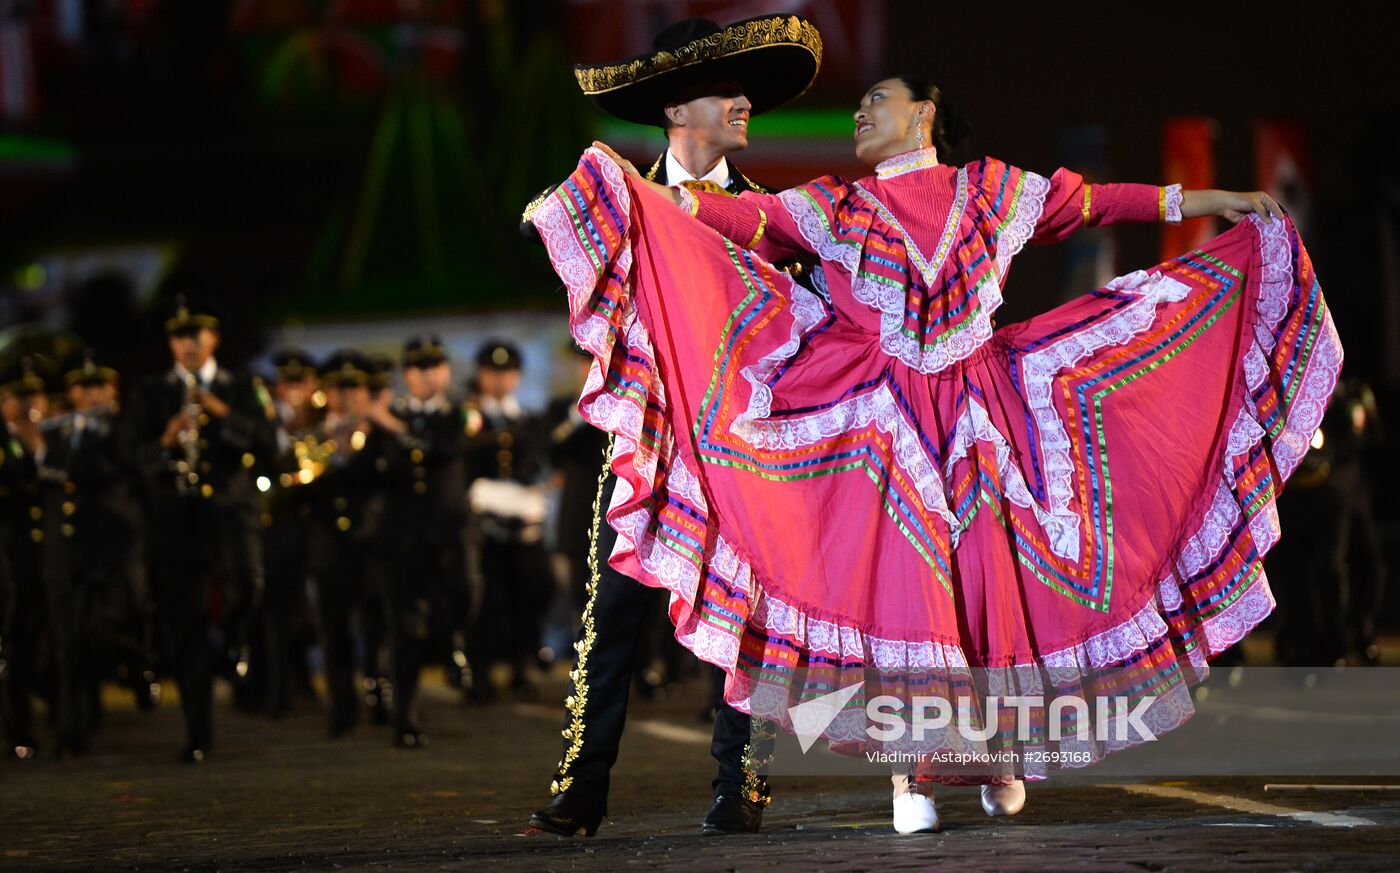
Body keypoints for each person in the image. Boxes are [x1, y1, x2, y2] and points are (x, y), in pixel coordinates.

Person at [531, 73, 1342, 834]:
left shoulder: (989, 188)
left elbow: (1092, 203)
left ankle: (1001, 747)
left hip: (986, 411)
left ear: (923, 112)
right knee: (903, 591)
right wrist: (628, 194)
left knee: (993, 580)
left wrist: (1215, 196)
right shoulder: (835, 205)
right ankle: (913, 772)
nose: (859, 113)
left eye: (876, 100)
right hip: (880, 424)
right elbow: (744, 222)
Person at [525, 14, 823, 838]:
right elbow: (544, 230)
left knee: (754, 628)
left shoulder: (775, 218)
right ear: (673, 109)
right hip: (647, 450)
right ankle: (581, 791)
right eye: (726, 91)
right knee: (611, 621)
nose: (742, 105)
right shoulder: (620, 202)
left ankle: (742, 784)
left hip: (745, 460)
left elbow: (819, 322)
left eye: (747, 94)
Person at [124, 298, 276, 762]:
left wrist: (223, 413)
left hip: (230, 512)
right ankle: (198, 731)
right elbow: (129, 458)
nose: (189, 344)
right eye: (179, 336)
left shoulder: (240, 385)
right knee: (185, 623)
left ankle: (232, 639)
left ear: (214, 340)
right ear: (170, 343)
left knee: (249, 584)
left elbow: (270, 445)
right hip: (177, 519)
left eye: (198, 335)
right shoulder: (151, 392)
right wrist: (166, 439)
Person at [38, 350, 151, 756]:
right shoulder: (56, 432)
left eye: (99, 386)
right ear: (70, 393)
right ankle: (74, 728)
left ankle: (136, 665)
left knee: (122, 618)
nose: (91, 394)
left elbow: (118, 466)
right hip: (67, 549)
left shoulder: (123, 428)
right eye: (82, 387)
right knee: (69, 642)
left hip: (114, 547)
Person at [378, 335, 469, 748]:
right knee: (406, 630)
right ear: (405, 374)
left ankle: (452, 645)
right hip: (402, 540)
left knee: (464, 596)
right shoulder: (388, 417)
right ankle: (405, 717)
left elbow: (440, 448)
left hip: (449, 535)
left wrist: (390, 424)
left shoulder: (457, 414)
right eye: (417, 367)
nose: (427, 374)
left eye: (435, 365)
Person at [463, 341, 549, 700]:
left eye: (507, 373)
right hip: (484, 525)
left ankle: (520, 667)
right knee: (485, 602)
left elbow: (538, 465)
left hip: (522, 523)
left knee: (525, 599)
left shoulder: (526, 420)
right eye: (492, 373)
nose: (500, 380)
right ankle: (479, 672)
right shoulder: (470, 417)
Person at [0, 358, 50, 759]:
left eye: (33, 395)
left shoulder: (47, 436)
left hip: (33, 557)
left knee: (26, 643)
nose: (27, 403)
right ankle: (16, 726)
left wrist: (41, 449)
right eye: (18, 396)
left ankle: (24, 723)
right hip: (5, 556)